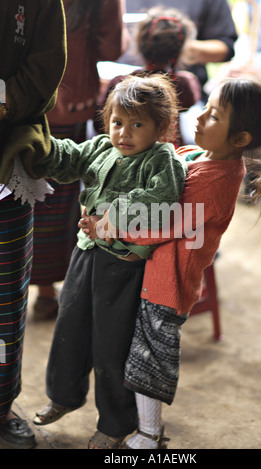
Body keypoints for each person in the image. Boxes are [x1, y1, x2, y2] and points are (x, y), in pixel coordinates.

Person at [79, 76, 261, 448]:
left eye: (213, 116)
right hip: (154, 275)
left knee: (150, 361)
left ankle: (149, 433)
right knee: (136, 354)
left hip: (168, 284)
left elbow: (160, 223)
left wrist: (106, 228)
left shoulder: (216, 182)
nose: (199, 118)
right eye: (206, 108)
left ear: (240, 139)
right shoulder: (196, 156)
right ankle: (143, 426)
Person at [31, 74, 187, 449]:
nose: (124, 133)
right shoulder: (102, 147)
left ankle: (115, 423)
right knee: (70, 327)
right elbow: (69, 158)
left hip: (124, 266)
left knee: (110, 346)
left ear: (160, 128)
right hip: (85, 254)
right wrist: (38, 146)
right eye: (117, 122)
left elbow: (161, 200)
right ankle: (63, 397)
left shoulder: (161, 159)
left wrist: (108, 217)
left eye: (137, 124)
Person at [30, 0, 128, 321]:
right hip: (67, 103)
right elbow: (112, 47)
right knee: (56, 202)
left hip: (16, 103)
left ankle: (22, 288)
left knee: (16, 196)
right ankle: (48, 293)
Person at [0, 0, 66, 449]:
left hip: (8, 162)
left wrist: (3, 101)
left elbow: (47, 66)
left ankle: (1, 407)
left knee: (6, 304)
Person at [96, 6, 201, 147]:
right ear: (180, 49)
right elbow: (192, 100)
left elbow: (99, 123)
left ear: (140, 43)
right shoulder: (184, 84)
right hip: (172, 151)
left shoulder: (120, 83)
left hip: (123, 151)